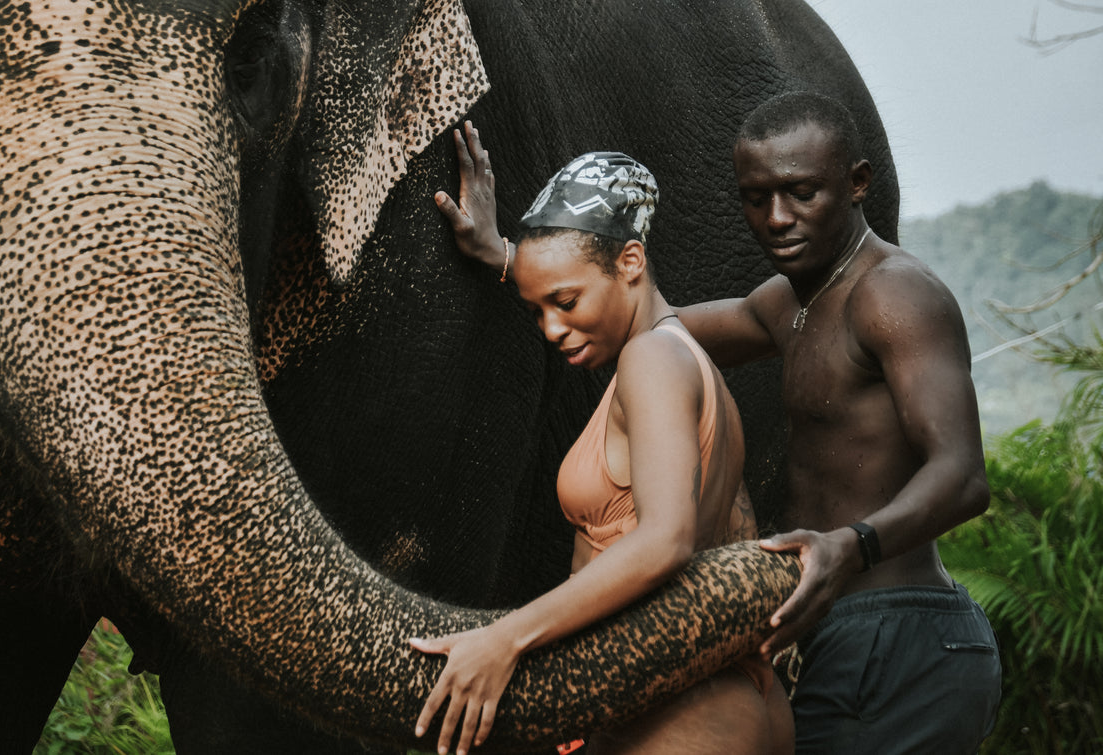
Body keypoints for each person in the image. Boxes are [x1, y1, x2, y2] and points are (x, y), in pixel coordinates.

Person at [439, 97, 1002, 754]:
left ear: (856, 183)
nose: (775, 218)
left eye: (799, 192)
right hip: (825, 624)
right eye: (754, 198)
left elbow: (962, 475)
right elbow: (643, 318)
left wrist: (849, 545)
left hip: (897, 624)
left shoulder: (894, 294)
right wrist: (515, 258)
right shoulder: (787, 302)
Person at [412, 148, 794, 755]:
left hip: (683, 715)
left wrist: (505, 639)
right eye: (538, 310)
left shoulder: (653, 362)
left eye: (565, 303)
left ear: (632, 261)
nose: (552, 329)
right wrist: (503, 256)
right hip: (709, 701)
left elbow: (665, 540)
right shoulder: (681, 357)